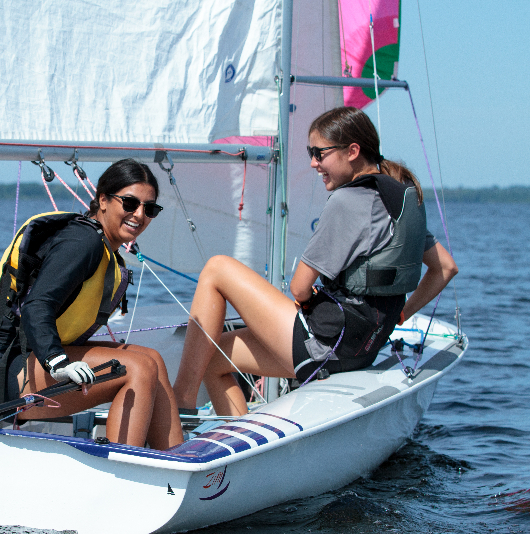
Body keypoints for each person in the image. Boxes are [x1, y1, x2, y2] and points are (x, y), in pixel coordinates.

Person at [173, 106, 458, 416]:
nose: (313, 163)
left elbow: (299, 288)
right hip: (361, 348)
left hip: (328, 342)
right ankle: (237, 441)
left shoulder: (348, 201)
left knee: (218, 268)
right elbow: (445, 268)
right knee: (215, 359)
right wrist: (402, 313)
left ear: (352, 151)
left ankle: (181, 402)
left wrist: (304, 305)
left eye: (319, 153)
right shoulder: (401, 199)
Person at [0, 158, 183, 450]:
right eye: (130, 203)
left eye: (150, 208)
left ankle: (174, 460)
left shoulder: (102, 244)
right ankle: (124, 472)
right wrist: (57, 363)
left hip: (28, 354)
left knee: (152, 359)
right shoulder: (84, 242)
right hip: (0, 367)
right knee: (137, 369)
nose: (139, 215)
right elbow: (37, 305)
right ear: (103, 200)